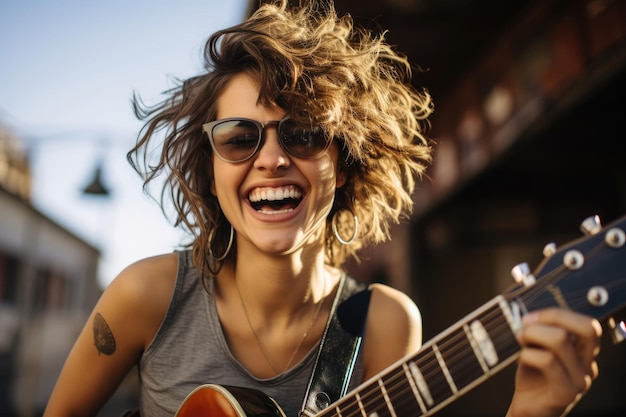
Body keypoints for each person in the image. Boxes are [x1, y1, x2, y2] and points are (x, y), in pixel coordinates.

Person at [43, 1, 602, 417]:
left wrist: (530, 411)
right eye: (240, 137)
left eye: (304, 134)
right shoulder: (147, 296)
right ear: (210, 170)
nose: (271, 159)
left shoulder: (382, 324)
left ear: (345, 161)